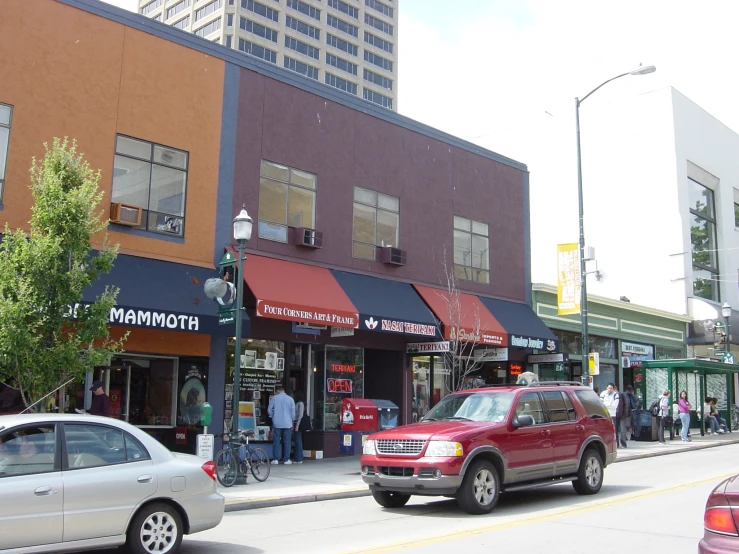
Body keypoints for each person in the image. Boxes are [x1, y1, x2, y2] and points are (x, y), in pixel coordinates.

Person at [268, 385, 295, 465]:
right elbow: (293, 413)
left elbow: (269, 410)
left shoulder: (274, 398)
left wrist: (272, 417)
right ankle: (286, 459)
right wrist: (292, 422)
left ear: (278, 391)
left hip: (277, 422)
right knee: (287, 441)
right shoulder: (290, 399)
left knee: (276, 441)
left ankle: (276, 459)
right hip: (287, 423)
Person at [293, 392, 306, 464]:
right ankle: (298, 457)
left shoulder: (300, 404)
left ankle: (299, 458)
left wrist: (297, 426)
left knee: (298, 441)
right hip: (296, 423)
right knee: (297, 441)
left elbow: (300, 415)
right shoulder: (298, 403)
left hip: (297, 423)